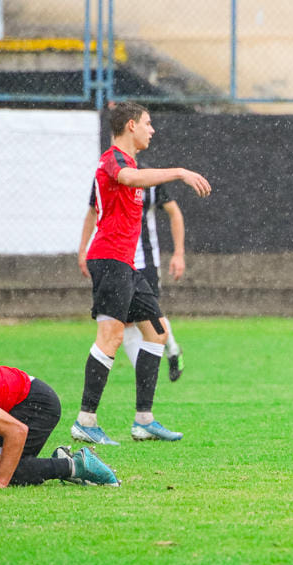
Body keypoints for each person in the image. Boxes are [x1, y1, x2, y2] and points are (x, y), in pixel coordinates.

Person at [71, 101, 210, 447]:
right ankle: (85, 421)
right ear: (130, 125)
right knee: (111, 337)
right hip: (110, 260)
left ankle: (144, 421)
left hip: (127, 266)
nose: (153, 130)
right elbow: (128, 179)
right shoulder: (114, 160)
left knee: (158, 332)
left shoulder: (130, 162)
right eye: (148, 123)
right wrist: (179, 171)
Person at [79, 180, 187, 382]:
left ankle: (172, 350)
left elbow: (174, 212)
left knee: (151, 315)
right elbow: (93, 212)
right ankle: (145, 380)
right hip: (116, 262)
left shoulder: (150, 179)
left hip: (144, 262)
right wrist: (83, 248)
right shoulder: (105, 177)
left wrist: (179, 253)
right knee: (126, 321)